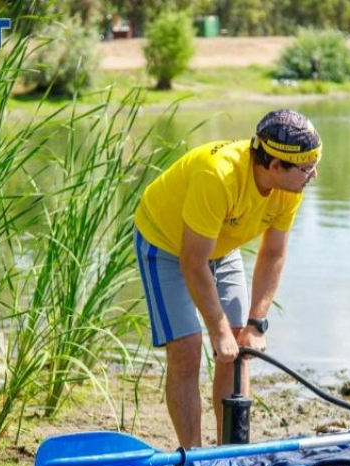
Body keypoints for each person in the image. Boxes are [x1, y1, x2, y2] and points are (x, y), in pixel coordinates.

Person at [133, 109, 322, 448]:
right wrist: (216, 330)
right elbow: (192, 263)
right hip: (166, 244)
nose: (314, 175)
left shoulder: (289, 187)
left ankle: (230, 454)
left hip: (219, 244)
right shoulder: (217, 176)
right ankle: (192, 458)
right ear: (275, 166)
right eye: (307, 169)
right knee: (188, 350)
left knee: (238, 349)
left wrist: (254, 325)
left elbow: (273, 253)